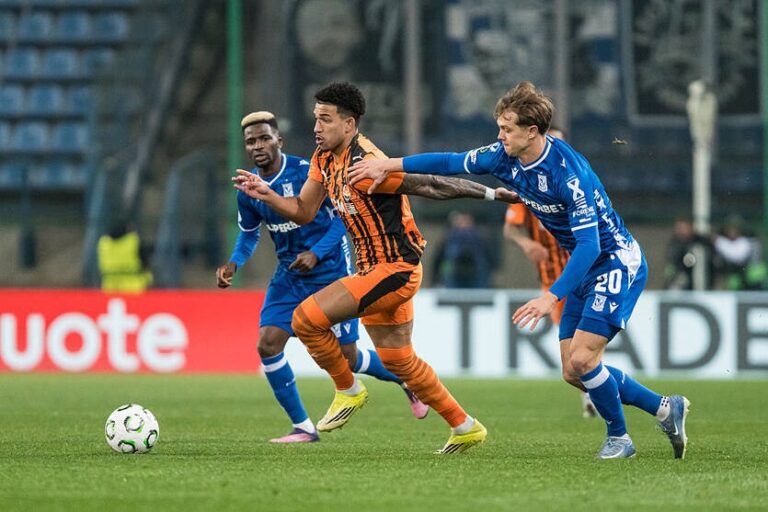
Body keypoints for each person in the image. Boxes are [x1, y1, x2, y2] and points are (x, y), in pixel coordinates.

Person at [348, 81, 690, 460]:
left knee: (583, 359)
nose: (500, 136)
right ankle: (665, 408)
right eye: (500, 127)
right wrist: (388, 164)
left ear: (532, 131)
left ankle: (619, 439)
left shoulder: (569, 175)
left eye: (507, 129)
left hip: (615, 261)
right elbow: (448, 162)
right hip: (583, 264)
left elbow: (591, 245)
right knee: (572, 371)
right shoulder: (502, 157)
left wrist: (550, 297)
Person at [234, 82, 517, 454]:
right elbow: (303, 211)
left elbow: (431, 185)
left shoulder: (368, 164)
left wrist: (491, 193)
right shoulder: (322, 158)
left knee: (305, 320)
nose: (316, 127)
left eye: (325, 119)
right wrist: (267, 194)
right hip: (372, 271)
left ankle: (348, 389)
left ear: (349, 124)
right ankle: (464, 426)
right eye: (316, 119)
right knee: (399, 360)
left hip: (396, 269)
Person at [218, 111, 429, 444]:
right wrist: (234, 263)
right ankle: (303, 427)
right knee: (267, 344)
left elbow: (343, 217)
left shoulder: (308, 172)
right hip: (289, 274)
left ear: (278, 140)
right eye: (250, 141)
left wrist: (317, 252)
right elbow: (248, 233)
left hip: (331, 269)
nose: (257, 146)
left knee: (348, 357)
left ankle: (407, 380)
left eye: (264, 138)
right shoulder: (248, 189)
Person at [502, 126, 596, 419]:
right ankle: (593, 393)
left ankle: (597, 396)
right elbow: (510, 228)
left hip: (587, 275)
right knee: (572, 357)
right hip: (552, 279)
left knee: (584, 344)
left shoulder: (575, 182)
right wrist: (527, 243)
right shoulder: (528, 187)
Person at [432, 211, 493, 288]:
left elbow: (489, 260)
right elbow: (438, 261)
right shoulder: (449, 238)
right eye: (461, 221)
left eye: (466, 220)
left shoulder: (478, 238)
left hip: (474, 278)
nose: (463, 225)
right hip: (454, 278)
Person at [97, 219, 153, 293]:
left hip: (109, 288)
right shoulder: (133, 242)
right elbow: (144, 260)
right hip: (135, 288)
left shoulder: (104, 244)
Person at [663, 217, 713, 290]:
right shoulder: (675, 244)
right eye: (678, 228)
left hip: (699, 282)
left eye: (683, 227)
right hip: (681, 280)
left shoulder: (698, 241)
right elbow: (673, 261)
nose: (680, 231)